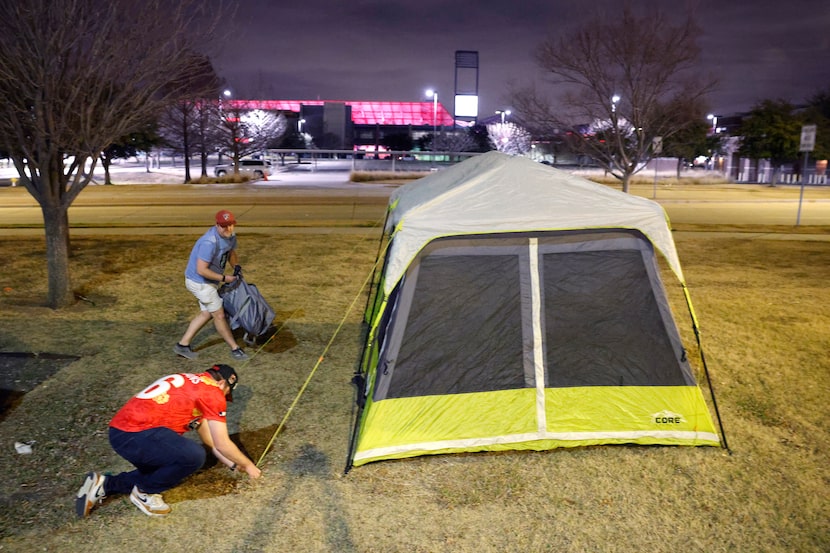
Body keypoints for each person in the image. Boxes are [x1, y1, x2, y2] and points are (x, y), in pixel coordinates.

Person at [75, 364, 262, 518]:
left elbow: (211, 441)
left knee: (164, 469)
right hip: (136, 435)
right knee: (193, 456)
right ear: (222, 383)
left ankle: (105, 484)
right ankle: (144, 493)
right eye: (226, 393)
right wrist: (248, 466)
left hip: (121, 432)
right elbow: (222, 442)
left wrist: (231, 463)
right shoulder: (212, 393)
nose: (224, 398)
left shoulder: (191, 382)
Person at [174, 209, 249, 361]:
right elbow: (201, 270)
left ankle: (183, 345)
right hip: (200, 283)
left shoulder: (230, 236)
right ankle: (235, 348)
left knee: (207, 313)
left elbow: (230, 252)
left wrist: (236, 266)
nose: (227, 229)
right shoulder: (209, 242)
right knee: (219, 315)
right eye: (223, 226)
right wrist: (224, 278)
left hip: (209, 282)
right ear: (217, 225)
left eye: (230, 225)